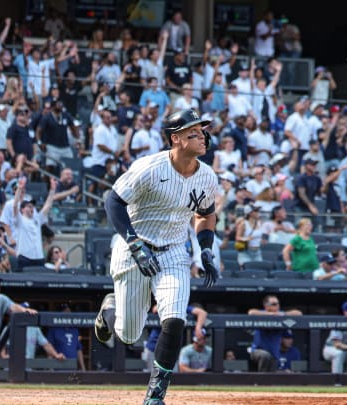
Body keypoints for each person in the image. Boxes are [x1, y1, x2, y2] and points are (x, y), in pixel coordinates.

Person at [93, 109, 219, 404]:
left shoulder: (207, 176)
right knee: (127, 334)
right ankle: (110, 307)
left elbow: (205, 215)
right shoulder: (150, 167)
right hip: (134, 247)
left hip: (174, 251)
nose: (201, 136)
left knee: (174, 319)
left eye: (202, 131)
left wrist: (207, 248)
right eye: (193, 132)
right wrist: (134, 243)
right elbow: (113, 200)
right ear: (175, 139)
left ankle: (155, 395)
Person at [247, 295, 302, 372]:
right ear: (266, 306)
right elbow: (251, 312)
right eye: (274, 304)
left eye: (278, 304)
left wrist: (283, 314)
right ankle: (261, 379)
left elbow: (298, 313)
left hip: (274, 354)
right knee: (265, 356)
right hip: (257, 351)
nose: (277, 306)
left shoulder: (280, 315)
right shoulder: (262, 314)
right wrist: (271, 315)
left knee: (272, 377)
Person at [47, 303, 86, 371]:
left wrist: (83, 369)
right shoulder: (54, 329)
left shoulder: (75, 330)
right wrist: (51, 369)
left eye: (69, 312)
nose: (67, 314)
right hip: (58, 368)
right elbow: (49, 349)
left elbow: (79, 350)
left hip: (73, 367)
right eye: (65, 312)